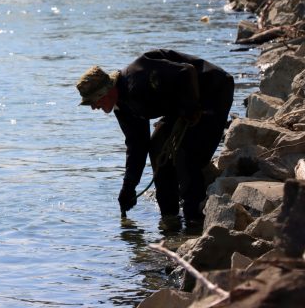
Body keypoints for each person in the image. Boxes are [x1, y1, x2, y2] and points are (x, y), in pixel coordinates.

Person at [76, 49, 234, 227]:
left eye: (93, 102)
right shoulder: (123, 108)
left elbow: (186, 71)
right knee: (157, 149)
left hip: (213, 91)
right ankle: (169, 217)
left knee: (186, 155)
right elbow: (137, 146)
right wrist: (129, 187)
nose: (93, 108)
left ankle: (194, 218)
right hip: (180, 107)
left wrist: (190, 108)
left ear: (105, 92)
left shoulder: (138, 77)